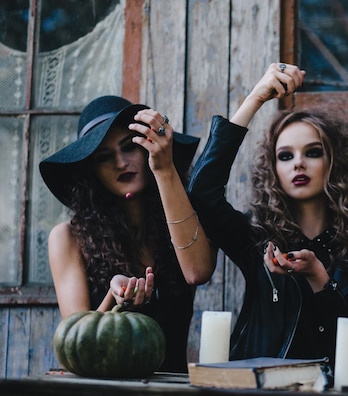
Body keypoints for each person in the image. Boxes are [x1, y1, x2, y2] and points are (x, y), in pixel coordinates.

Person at [187, 63, 348, 378]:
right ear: (273, 169)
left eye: (313, 152)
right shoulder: (258, 239)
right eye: (286, 156)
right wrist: (255, 98)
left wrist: (319, 279)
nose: (299, 164)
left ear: (335, 162)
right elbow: (201, 191)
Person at [40, 95, 216, 373]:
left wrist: (164, 167)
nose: (121, 162)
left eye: (129, 147)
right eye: (104, 157)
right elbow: (77, 346)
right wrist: (114, 297)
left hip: (175, 395)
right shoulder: (68, 238)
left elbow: (198, 272)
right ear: (91, 171)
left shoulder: (183, 222)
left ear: (147, 149)